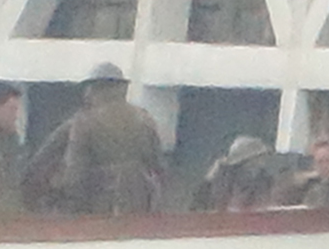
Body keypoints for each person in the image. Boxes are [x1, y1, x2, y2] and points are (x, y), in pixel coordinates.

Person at [55, 61, 166, 215]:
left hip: (100, 205)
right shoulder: (145, 118)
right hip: (141, 203)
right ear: (122, 89)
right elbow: (158, 166)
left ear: (95, 90)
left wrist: (70, 207)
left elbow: (75, 173)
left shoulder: (85, 122)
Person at [192, 135, 283, 212]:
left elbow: (267, 204)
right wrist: (210, 178)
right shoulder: (224, 179)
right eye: (259, 156)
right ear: (248, 160)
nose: (263, 161)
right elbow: (199, 205)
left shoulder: (265, 179)